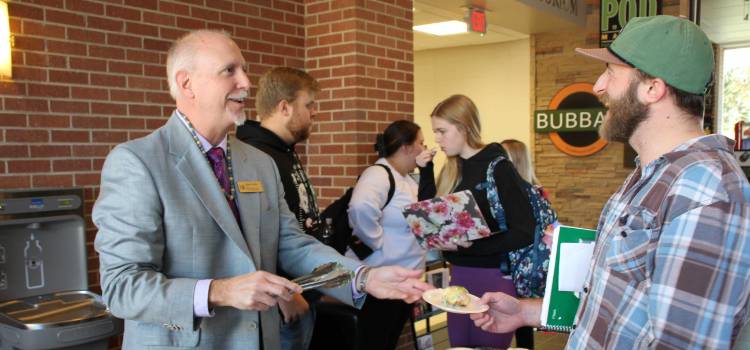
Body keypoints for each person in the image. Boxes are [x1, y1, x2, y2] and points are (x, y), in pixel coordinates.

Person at [93, 29, 432, 350]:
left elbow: (292, 243)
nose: (246, 83)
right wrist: (219, 291)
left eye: (244, 70)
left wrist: (363, 277)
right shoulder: (137, 163)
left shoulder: (258, 162)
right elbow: (123, 288)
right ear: (187, 84)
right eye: (230, 71)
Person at [471, 16, 750, 349]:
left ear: (652, 88)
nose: (598, 86)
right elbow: (621, 305)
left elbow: (680, 343)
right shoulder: (650, 175)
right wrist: (530, 311)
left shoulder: (705, 191)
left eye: (611, 72)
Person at [429, 94, 536, 348]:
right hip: (459, 277)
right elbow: (434, 215)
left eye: (442, 131)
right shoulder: (451, 170)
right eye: (435, 132)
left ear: (464, 128)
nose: (437, 139)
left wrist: (474, 245)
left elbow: (524, 230)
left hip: (493, 278)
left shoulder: (498, 167)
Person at [235, 67, 322, 350]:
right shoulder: (254, 156)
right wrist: (284, 293)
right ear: (284, 107)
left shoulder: (284, 150)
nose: (313, 113)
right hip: (279, 302)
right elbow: (251, 236)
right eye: (308, 105)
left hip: (302, 289)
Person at [347, 120, 436, 350]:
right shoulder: (378, 174)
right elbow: (360, 207)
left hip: (405, 280)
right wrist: (377, 242)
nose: (424, 148)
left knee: (388, 341)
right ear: (406, 147)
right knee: (374, 342)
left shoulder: (405, 178)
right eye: (421, 143)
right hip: (381, 279)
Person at [500, 138, 550, 350]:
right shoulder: (539, 192)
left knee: (515, 320)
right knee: (522, 325)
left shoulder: (524, 194)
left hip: (515, 267)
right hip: (528, 268)